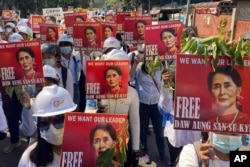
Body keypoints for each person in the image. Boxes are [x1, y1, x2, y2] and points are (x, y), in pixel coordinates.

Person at [18, 85, 77, 167]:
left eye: (58, 120)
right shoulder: (29, 159)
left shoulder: (87, 152)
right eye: (44, 123)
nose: (52, 129)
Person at [130, 54, 170, 165]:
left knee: (159, 131)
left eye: (154, 55)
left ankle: (162, 153)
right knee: (142, 129)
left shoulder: (161, 67)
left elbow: (165, 84)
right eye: (149, 54)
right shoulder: (140, 67)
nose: (151, 57)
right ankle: (145, 152)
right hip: (143, 103)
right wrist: (135, 63)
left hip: (157, 104)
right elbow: (130, 77)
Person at [206, 66, 250, 131]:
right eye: (216, 87)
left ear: (238, 90)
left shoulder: (247, 121)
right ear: (211, 92)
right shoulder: (209, 124)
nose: (222, 92)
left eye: (227, 86)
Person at [179, 132, 245, 167]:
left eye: (234, 133)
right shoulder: (192, 151)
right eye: (222, 130)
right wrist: (205, 165)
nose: (228, 135)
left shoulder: (242, 158)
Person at [58, 34, 82, 110]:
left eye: (67, 45)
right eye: (63, 45)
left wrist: (82, 51)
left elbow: (83, 68)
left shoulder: (76, 58)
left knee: (74, 110)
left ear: (72, 47)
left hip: (74, 86)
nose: (65, 47)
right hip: (61, 86)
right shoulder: (57, 60)